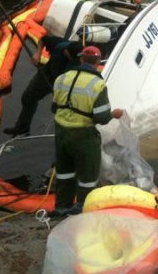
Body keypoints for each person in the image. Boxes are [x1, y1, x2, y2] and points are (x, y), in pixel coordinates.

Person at [51, 46, 123, 216]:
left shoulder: (61, 79)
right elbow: (101, 117)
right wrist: (114, 114)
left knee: (64, 174)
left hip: (61, 134)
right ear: (98, 62)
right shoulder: (97, 84)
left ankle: (61, 208)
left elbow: (54, 107)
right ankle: (82, 211)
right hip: (83, 137)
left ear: (81, 59)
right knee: (87, 178)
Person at [3, 37, 82, 136]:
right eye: (72, 57)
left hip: (65, 83)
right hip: (48, 73)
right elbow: (43, 39)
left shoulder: (81, 58)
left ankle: (68, 134)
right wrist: (38, 53)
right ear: (66, 51)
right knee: (28, 98)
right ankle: (23, 127)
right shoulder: (58, 43)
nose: (74, 60)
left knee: (60, 109)